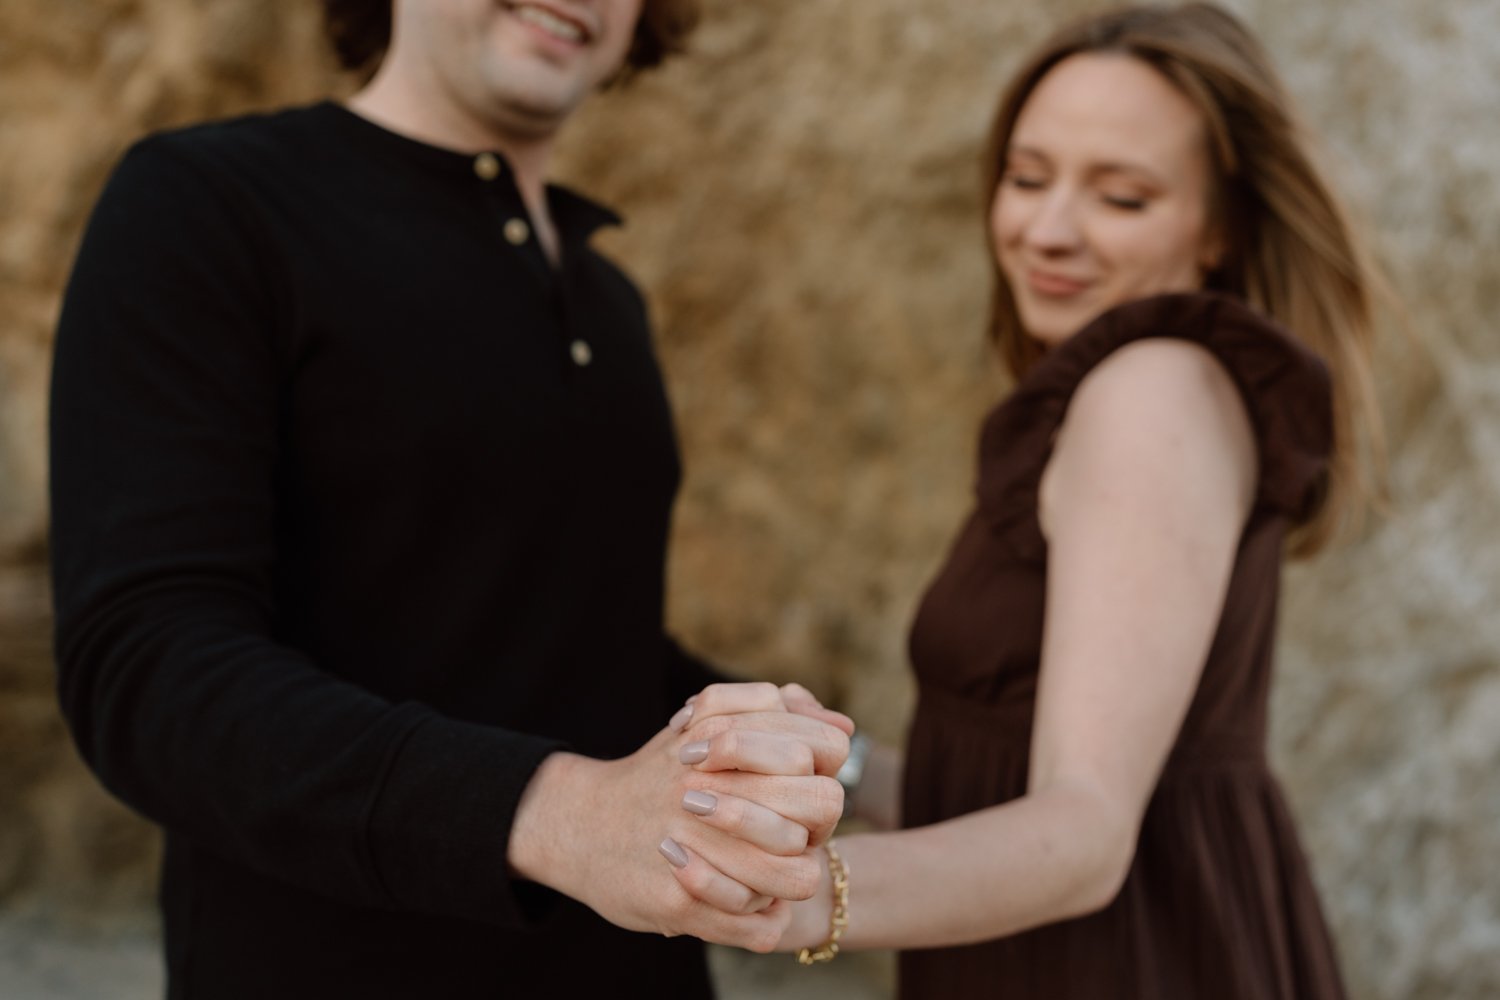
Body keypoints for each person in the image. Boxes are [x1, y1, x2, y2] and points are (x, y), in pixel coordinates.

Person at [48, 1, 850, 997]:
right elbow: (148, 663)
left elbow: (587, 648)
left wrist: (857, 770)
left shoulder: (610, 301)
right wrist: (565, 812)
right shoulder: (208, 203)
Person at [671, 4, 1387, 996]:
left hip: (1116, 961)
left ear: (1221, 227)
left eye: (1123, 196)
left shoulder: (1148, 391)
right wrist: (833, 766)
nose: (1047, 231)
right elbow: (1016, 764)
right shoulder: (1150, 388)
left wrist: (792, 892)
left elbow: (1084, 830)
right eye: (1027, 176)